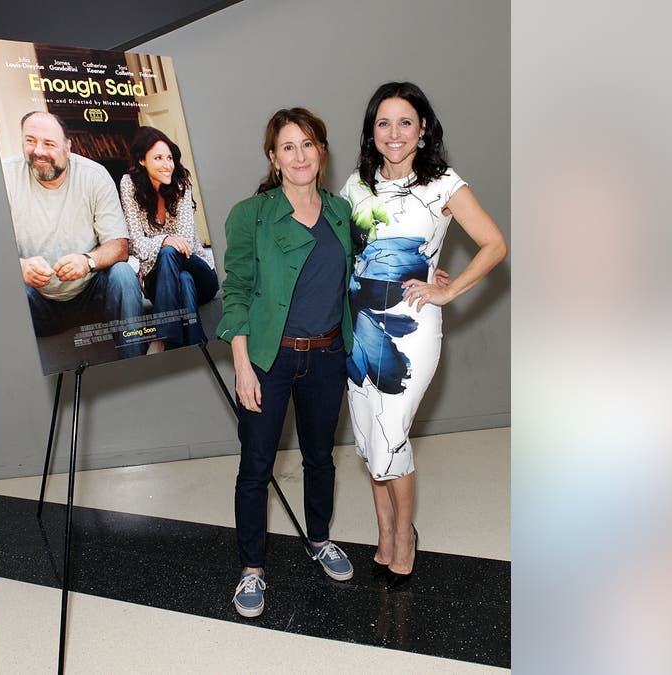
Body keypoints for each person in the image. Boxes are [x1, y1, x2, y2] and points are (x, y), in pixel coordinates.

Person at [341, 82, 507, 589]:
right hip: (358, 326)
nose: (394, 133)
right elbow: (347, 252)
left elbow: (494, 244)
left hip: (411, 329)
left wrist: (446, 288)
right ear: (372, 130)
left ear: (424, 129)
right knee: (369, 441)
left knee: (392, 436)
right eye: (383, 122)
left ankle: (406, 538)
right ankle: (386, 533)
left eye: (405, 122)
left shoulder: (443, 185)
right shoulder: (356, 186)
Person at [217, 108, 356, 618]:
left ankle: (319, 539)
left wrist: (429, 274)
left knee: (320, 458)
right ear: (273, 159)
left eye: (309, 144)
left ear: (321, 151)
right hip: (268, 362)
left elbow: (366, 275)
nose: (300, 155)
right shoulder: (249, 215)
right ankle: (251, 570)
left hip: (327, 358)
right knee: (255, 467)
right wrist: (242, 363)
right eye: (288, 147)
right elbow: (236, 292)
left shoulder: (342, 212)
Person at [2, 111, 144, 360]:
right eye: (30, 141)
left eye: (49, 144)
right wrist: (20, 267)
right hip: (36, 302)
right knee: (3, 287)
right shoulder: (3, 176)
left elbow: (120, 246)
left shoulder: (95, 175)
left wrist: (87, 261)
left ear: (68, 147)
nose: (39, 151)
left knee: (123, 275)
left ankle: (135, 366)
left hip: (91, 295)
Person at [118, 126, 218, 351]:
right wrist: (164, 241)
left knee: (172, 252)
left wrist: (162, 244)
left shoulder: (181, 182)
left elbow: (183, 243)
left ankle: (161, 337)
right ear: (142, 161)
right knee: (183, 279)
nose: (167, 164)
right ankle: (197, 346)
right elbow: (134, 243)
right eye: (158, 158)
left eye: (170, 158)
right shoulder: (129, 184)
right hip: (160, 282)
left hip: (200, 272)